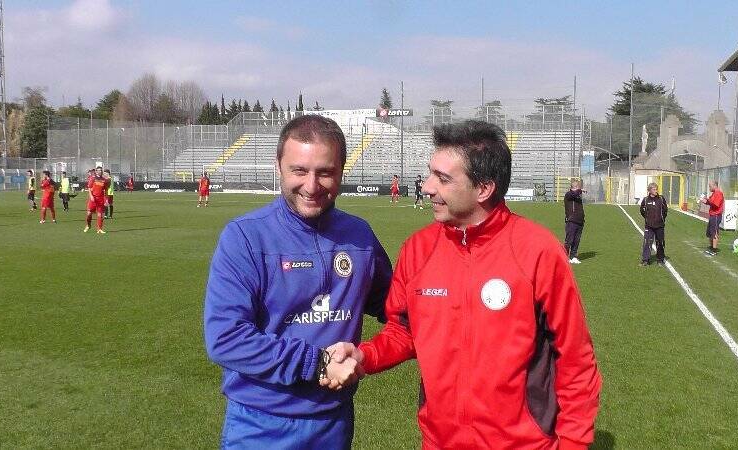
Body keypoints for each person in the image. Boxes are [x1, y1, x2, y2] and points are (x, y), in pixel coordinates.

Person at [326, 120, 602, 449]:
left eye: (442, 179)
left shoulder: (537, 251)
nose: (428, 187)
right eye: (431, 174)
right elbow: (404, 332)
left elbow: (575, 359)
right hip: (440, 442)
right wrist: (363, 355)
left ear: (483, 188)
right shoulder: (418, 249)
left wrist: (572, 444)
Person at [203, 114, 392, 449]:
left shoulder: (359, 236)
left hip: (333, 422)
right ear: (279, 167)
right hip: (260, 424)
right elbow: (226, 338)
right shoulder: (246, 236)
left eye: (325, 172)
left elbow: (397, 306)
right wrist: (316, 362)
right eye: (299, 171)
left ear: (341, 171)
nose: (311, 185)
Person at [639, 182, 668, 266]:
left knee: (660, 242)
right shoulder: (645, 200)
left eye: (656, 189)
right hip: (649, 226)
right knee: (647, 242)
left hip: (660, 225)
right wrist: (648, 219)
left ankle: (660, 259)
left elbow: (665, 210)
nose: (656, 191)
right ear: (649, 190)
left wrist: (661, 219)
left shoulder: (661, 199)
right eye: (654, 189)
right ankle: (645, 260)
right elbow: (642, 211)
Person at [564, 179, 585, 264]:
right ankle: (564, 257)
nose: (581, 189)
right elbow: (574, 193)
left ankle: (573, 257)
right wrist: (580, 190)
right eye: (579, 187)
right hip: (571, 221)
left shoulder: (577, 195)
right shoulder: (569, 194)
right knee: (569, 240)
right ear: (575, 187)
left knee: (577, 240)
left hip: (580, 221)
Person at [701, 180, 725, 255]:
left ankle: (714, 249)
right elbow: (711, 202)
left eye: (710, 186)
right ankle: (711, 247)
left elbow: (715, 204)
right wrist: (705, 200)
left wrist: (707, 200)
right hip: (712, 215)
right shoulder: (714, 193)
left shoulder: (718, 193)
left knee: (714, 232)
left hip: (716, 215)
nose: (709, 188)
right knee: (710, 232)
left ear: (714, 185)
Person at [85, 167, 109, 234]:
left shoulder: (104, 180)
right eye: (98, 170)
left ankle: (99, 229)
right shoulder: (92, 178)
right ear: (96, 171)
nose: (100, 171)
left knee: (99, 215)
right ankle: (88, 225)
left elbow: (106, 191)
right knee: (89, 214)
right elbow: (89, 188)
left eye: (101, 170)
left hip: (100, 199)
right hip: (93, 199)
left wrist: (106, 200)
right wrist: (91, 196)